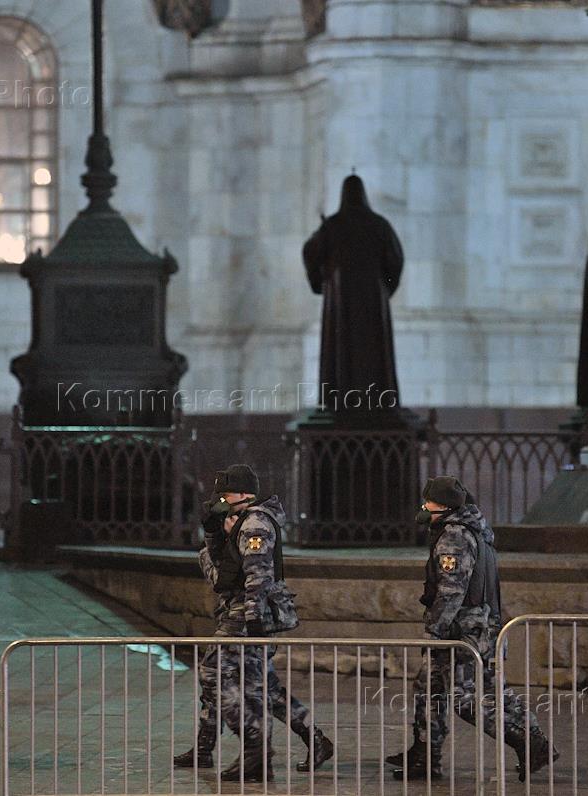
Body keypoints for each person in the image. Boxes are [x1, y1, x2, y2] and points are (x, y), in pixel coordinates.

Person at [388, 476, 557, 781]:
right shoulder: (470, 530)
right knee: (429, 689)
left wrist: (435, 632)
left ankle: (528, 742)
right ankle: (425, 756)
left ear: (444, 506)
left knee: (465, 700)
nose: (424, 506)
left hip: (463, 633)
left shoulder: (454, 536)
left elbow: (451, 592)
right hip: (476, 628)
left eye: (429, 501)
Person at [176, 464, 333, 781]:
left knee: (215, 674)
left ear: (243, 494)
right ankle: (307, 741)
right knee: (262, 689)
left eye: (225, 495)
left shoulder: (254, 524)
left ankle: (255, 751)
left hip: (247, 618)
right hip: (241, 613)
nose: (219, 500)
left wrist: (254, 618)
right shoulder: (241, 522)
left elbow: (258, 577)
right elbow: (225, 573)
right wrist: (214, 534)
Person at [301, 174, 404, 412]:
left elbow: (310, 252)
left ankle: (341, 403)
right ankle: (376, 402)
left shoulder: (332, 226)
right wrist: (385, 288)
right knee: (373, 354)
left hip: (340, 300)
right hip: (372, 302)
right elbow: (395, 261)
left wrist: (321, 280)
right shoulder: (379, 225)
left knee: (341, 351)